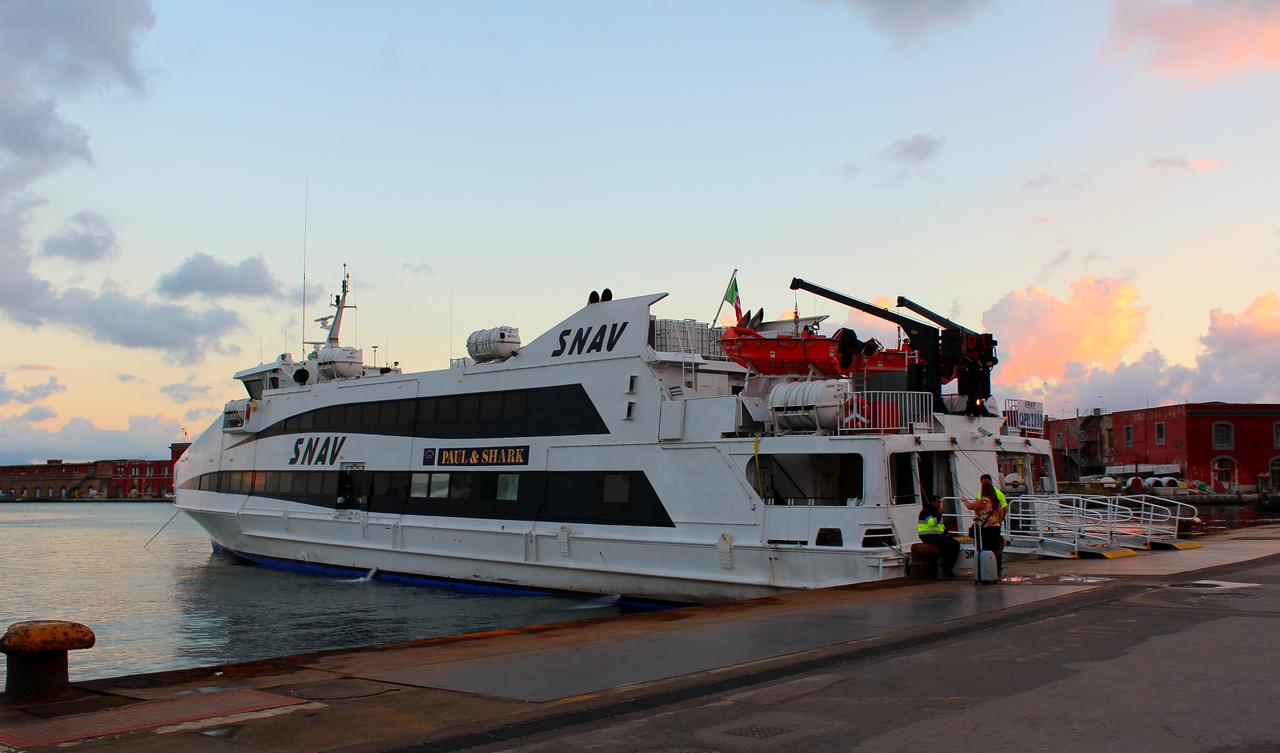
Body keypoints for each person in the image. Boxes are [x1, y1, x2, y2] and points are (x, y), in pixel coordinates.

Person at [964, 474, 1007, 576]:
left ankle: (984, 571)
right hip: (995, 527)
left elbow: (971, 506)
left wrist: (964, 500)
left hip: (985, 528)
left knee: (983, 549)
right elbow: (1002, 510)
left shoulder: (985, 499)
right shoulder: (997, 500)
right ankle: (995, 569)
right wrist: (998, 521)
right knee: (994, 548)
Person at [918, 495, 959, 577]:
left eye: (940, 502)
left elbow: (939, 526)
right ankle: (945, 565)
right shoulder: (926, 511)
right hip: (927, 535)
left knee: (955, 544)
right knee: (947, 545)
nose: (940, 504)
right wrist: (939, 514)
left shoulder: (936, 511)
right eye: (938, 502)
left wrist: (946, 533)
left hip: (936, 534)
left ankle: (949, 566)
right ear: (932, 502)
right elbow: (932, 523)